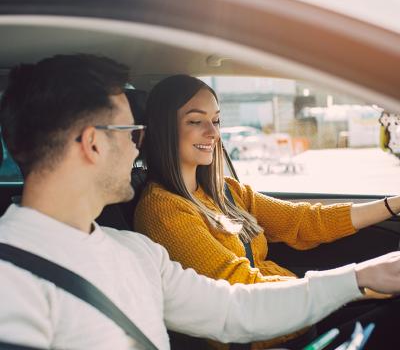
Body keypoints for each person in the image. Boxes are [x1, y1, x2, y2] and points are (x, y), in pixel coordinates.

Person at [0, 57, 399, 350]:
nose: (139, 147)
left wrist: (360, 278)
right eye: (131, 132)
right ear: (93, 142)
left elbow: (233, 309)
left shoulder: (137, 253)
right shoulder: (11, 279)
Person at [134, 74, 400, 349]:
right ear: (164, 128)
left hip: (297, 323)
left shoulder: (226, 191)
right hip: (265, 341)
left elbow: (303, 222)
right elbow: (243, 293)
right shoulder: (163, 210)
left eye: (215, 120)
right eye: (195, 121)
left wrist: (394, 204)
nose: (213, 133)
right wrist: (357, 285)